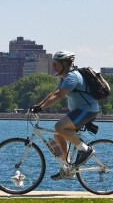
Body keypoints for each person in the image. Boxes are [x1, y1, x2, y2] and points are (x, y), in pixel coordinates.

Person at [29, 50, 99, 180]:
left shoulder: (72, 77)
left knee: (59, 127)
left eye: (56, 63)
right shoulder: (65, 77)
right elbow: (54, 93)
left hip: (87, 110)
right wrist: (38, 106)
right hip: (79, 111)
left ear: (65, 64)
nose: (53, 65)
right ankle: (67, 168)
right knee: (58, 135)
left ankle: (85, 149)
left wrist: (42, 107)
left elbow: (59, 95)